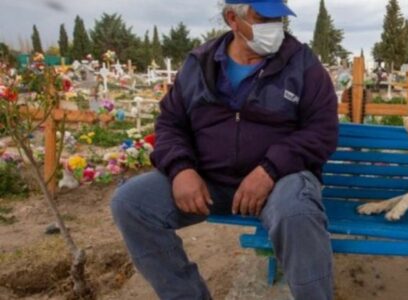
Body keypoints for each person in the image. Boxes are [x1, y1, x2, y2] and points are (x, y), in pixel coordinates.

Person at [110, 0, 339, 299]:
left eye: (279, 19)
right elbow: (170, 123)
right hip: (210, 180)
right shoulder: (199, 64)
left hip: (280, 180)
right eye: (263, 18)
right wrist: (181, 169)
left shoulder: (303, 65)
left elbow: (321, 130)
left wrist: (270, 169)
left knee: (296, 213)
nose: (275, 28)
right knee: (130, 203)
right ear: (233, 18)